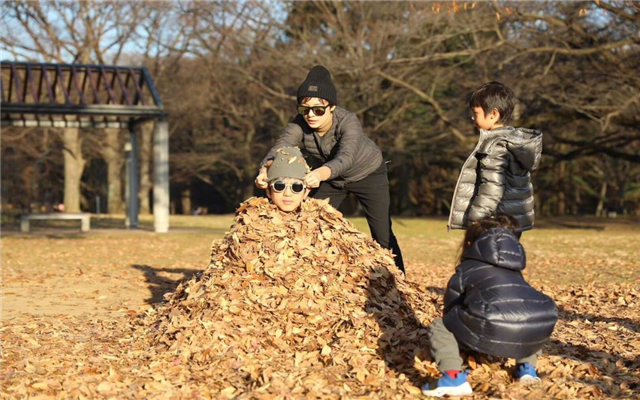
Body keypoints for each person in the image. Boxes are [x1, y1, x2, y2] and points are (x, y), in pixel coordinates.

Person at [255, 65, 404, 273]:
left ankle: (398, 282)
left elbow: (346, 157)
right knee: (310, 223)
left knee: (382, 234)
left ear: (331, 107)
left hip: (368, 174)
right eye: (304, 109)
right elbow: (281, 148)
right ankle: (311, 276)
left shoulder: (348, 121)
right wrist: (264, 171)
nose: (310, 115)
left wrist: (319, 174)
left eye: (318, 109)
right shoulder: (298, 125)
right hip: (331, 179)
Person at [422, 215, 558, 397]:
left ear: (473, 243)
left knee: (440, 326)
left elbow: (450, 308)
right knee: (525, 317)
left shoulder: (467, 269)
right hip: (539, 323)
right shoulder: (515, 269)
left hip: (490, 324)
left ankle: (453, 377)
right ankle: (527, 369)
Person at [447, 81, 543, 239]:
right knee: (507, 258)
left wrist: (476, 218)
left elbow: (491, 187)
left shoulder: (496, 146)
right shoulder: (515, 142)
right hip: (513, 219)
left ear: (493, 114)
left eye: (476, 113)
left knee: (488, 259)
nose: (472, 117)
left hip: (495, 221)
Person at [263, 146, 312, 213]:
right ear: (268, 191)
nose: (287, 193)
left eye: (296, 187)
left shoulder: (323, 222)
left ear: (306, 192)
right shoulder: (250, 221)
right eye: (279, 186)